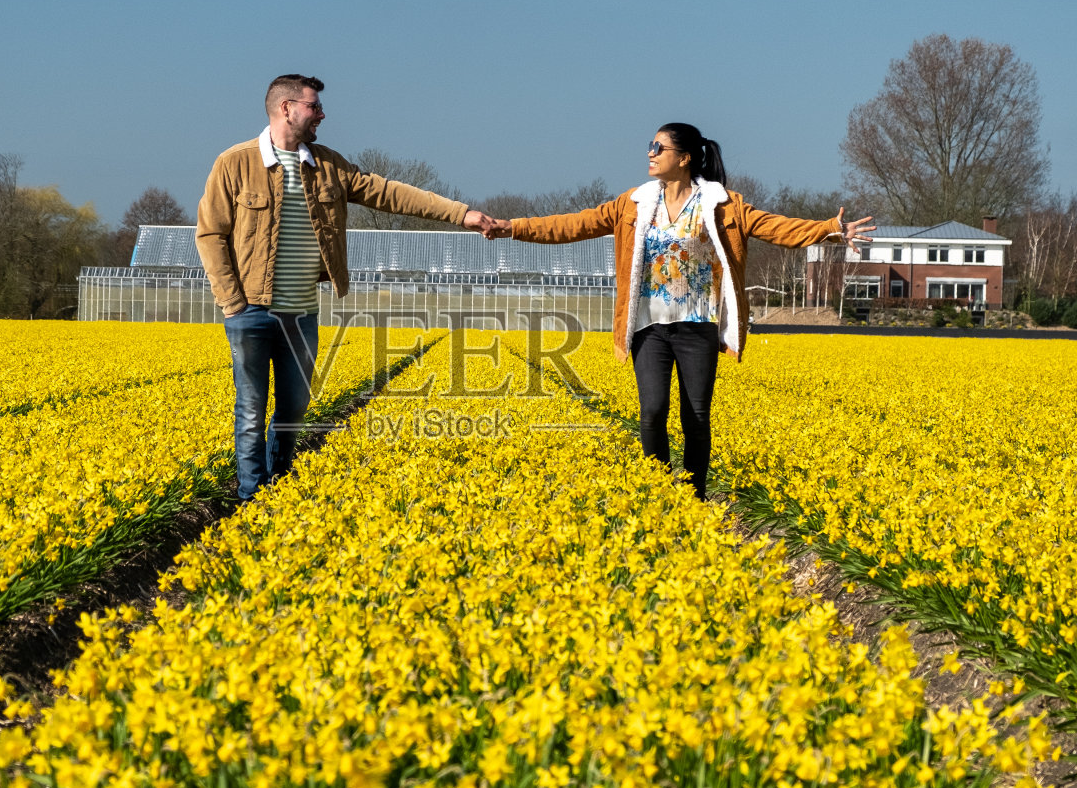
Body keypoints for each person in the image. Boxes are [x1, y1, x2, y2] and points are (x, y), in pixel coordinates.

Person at [496, 123, 874, 499]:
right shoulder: (634, 204)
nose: (650, 153)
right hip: (648, 327)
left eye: (659, 147)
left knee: (695, 418)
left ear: (685, 157)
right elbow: (573, 224)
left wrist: (829, 230)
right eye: (651, 146)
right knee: (653, 412)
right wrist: (511, 227)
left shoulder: (723, 205)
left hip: (697, 327)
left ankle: (694, 496)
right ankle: (660, 492)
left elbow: (776, 228)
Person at [196, 74, 499, 500]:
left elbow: (390, 193)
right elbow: (210, 234)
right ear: (287, 108)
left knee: (293, 410)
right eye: (313, 106)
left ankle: (277, 487)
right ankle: (251, 497)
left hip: (302, 312)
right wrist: (232, 303)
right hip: (253, 311)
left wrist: (460, 213)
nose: (322, 114)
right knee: (250, 411)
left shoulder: (329, 165)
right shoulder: (234, 163)